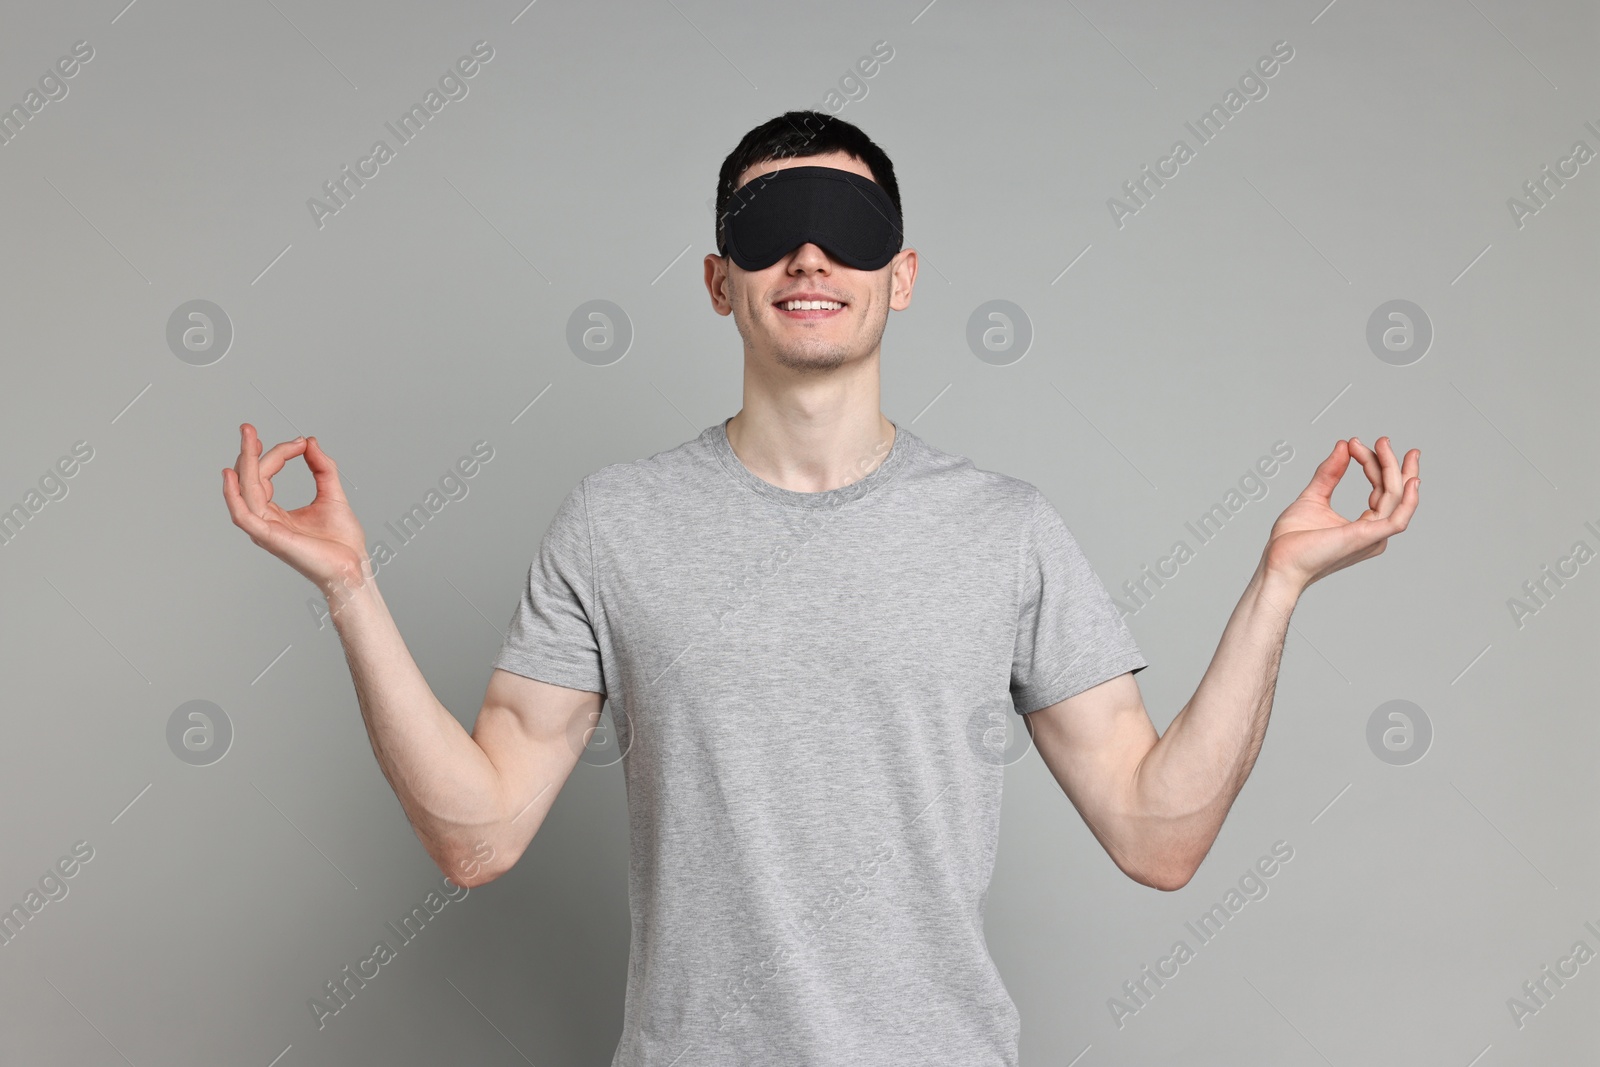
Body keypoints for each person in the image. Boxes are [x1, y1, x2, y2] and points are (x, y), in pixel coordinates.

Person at [222, 110, 1420, 1066]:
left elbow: (1159, 834)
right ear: (716, 277)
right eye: (770, 226)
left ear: (900, 276)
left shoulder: (1003, 531)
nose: (808, 253)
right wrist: (350, 590)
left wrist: (1277, 585)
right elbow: (476, 834)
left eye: (847, 226)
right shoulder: (616, 522)